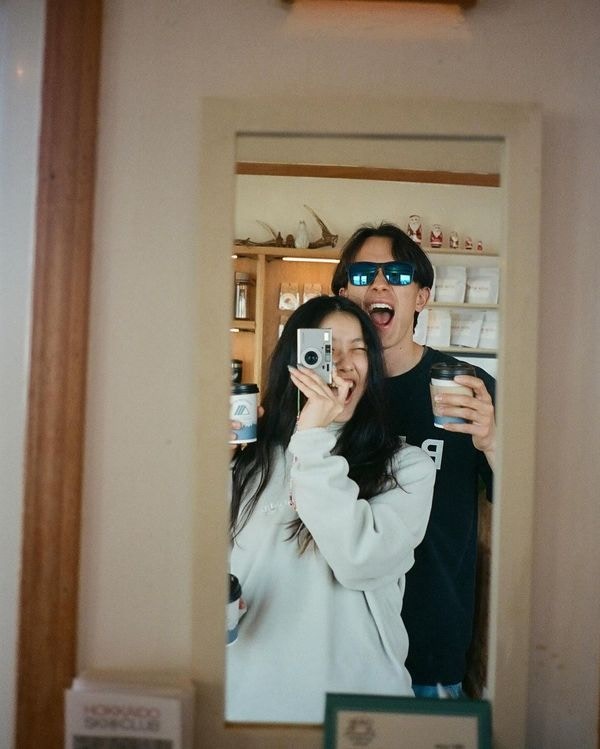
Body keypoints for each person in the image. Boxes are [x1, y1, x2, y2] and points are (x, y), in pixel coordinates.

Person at [225, 295, 435, 723]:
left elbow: (361, 561)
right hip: (251, 703)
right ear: (295, 361)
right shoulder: (247, 457)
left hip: (360, 710)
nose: (341, 363)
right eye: (324, 348)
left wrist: (311, 438)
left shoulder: (408, 467)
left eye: (359, 349)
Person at [331, 223, 496, 699]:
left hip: (431, 638)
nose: (379, 284)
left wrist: (494, 443)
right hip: (335, 637)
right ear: (343, 295)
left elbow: (526, 510)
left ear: (421, 297)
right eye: (362, 274)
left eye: (399, 275)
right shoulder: (321, 391)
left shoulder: (466, 389)